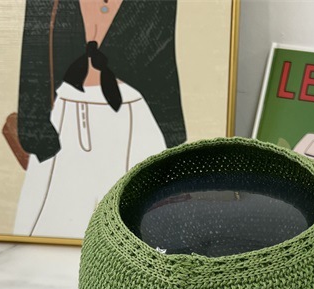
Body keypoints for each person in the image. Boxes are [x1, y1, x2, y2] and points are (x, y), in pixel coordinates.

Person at [13, 0, 186, 238]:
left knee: (135, 233)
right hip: (64, 118)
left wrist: (174, 142)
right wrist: (36, 133)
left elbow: (163, 62)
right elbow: (34, 58)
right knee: (46, 227)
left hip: (133, 119)